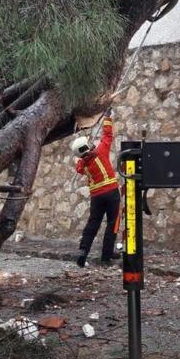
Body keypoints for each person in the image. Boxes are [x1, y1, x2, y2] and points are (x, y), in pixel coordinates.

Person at [70, 109, 121, 267]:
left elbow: (79, 165)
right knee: (113, 223)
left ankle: (83, 251)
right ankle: (106, 257)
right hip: (111, 192)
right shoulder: (101, 151)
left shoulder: (82, 165)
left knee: (93, 223)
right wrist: (107, 118)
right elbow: (107, 135)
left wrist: (83, 153)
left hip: (96, 196)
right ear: (88, 146)